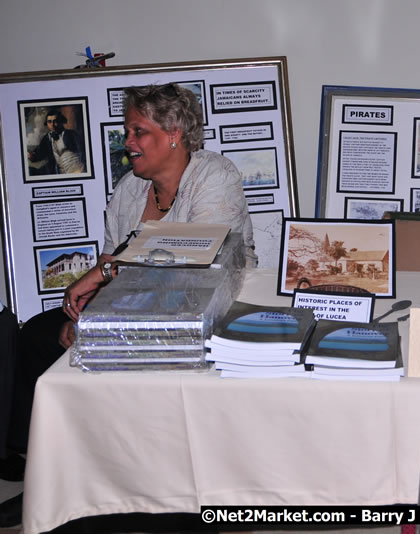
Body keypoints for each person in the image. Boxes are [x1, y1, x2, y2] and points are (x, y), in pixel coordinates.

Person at [0, 83, 256, 527]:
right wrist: (90, 313)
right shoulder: (130, 190)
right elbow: (109, 257)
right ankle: (41, 467)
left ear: (174, 132)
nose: (128, 144)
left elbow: (193, 256)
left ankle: (131, 483)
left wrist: (103, 284)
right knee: (39, 338)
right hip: (135, 302)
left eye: (139, 132)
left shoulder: (215, 175)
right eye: (127, 132)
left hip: (207, 307)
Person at [27, 109, 86, 175]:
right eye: (49, 122)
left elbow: (83, 151)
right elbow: (39, 154)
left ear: (60, 121)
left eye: (55, 121)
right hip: (62, 174)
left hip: (78, 172)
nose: (52, 124)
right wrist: (31, 156)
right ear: (46, 123)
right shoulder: (48, 138)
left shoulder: (70, 134)